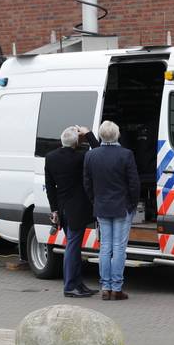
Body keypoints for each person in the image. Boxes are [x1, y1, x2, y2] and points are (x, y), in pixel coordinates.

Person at [83, 120, 140, 301]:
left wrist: (95, 200)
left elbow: (87, 183)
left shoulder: (91, 156)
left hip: (102, 206)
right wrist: (132, 205)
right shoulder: (126, 154)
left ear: (100, 135)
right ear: (117, 135)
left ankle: (105, 287)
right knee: (119, 248)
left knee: (105, 248)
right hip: (122, 207)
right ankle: (117, 287)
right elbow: (134, 183)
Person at [44, 126, 99, 299]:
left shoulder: (50, 158)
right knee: (73, 247)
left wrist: (54, 209)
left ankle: (78, 284)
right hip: (78, 209)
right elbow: (98, 153)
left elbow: (50, 187)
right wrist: (88, 135)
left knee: (73, 246)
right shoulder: (80, 157)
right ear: (76, 142)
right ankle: (69, 286)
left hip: (62, 207)